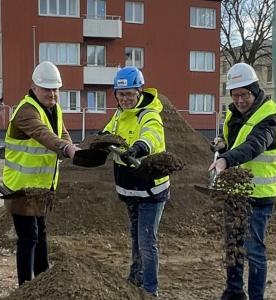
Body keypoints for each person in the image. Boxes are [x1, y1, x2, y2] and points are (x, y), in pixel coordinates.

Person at [209, 63, 276, 300]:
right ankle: (234, 292)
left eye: (244, 94)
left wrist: (225, 160)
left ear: (255, 91)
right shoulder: (234, 116)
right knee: (233, 246)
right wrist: (221, 145)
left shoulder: (270, 117)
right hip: (234, 192)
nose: (239, 100)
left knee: (253, 249)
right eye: (235, 95)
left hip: (258, 196)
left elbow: (255, 145)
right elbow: (234, 143)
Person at [3, 61, 80, 285]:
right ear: (35, 87)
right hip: (22, 187)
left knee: (42, 234)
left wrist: (71, 146)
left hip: (42, 186)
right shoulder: (26, 111)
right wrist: (66, 148)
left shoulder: (54, 109)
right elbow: (42, 134)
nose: (52, 94)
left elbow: (62, 133)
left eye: (55, 89)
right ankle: (26, 287)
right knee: (29, 238)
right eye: (47, 89)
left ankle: (43, 283)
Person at [101, 66, 169, 297]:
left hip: (150, 189)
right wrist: (98, 142)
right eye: (121, 95)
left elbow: (151, 135)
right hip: (131, 189)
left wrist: (138, 148)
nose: (126, 99)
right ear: (116, 95)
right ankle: (135, 277)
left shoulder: (148, 114)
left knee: (147, 241)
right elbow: (108, 133)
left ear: (139, 91)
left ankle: (150, 290)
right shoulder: (119, 114)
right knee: (135, 237)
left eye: (130, 94)